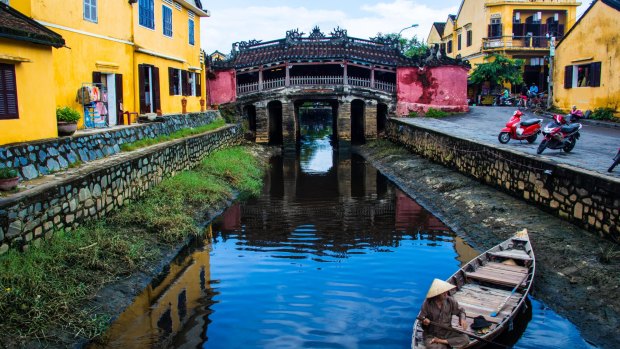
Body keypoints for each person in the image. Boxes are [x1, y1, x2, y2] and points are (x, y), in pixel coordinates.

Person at [420, 279, 470, 349]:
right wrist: (424, 322)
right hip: (431, 334)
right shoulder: (427, 304)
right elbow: (421, 319)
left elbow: (461, 311)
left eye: (446, 291)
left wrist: (462, 319)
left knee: (465, 339)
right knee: (432, 346)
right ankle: (445, 343)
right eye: (443, 292)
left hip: (447, 332)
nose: (446, 293)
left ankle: (441, 341)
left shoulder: (450, 301)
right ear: (437, 294)